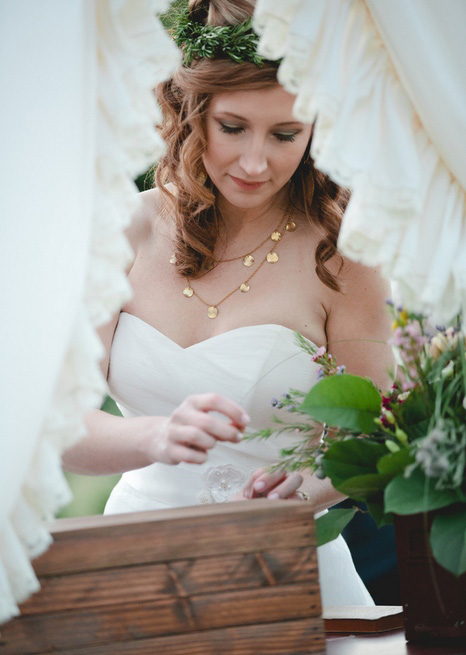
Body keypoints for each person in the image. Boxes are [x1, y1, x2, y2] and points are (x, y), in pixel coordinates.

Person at [63, 0, 393, 607]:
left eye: (285, 134)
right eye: (233, 127)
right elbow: (62, 428)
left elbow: (374, 433)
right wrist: (155, 437)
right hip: (136, 561)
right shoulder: (118, 230)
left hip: (290, 566)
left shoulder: (346, 255)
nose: (254, 162)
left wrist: (303, 492)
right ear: (192, 114)